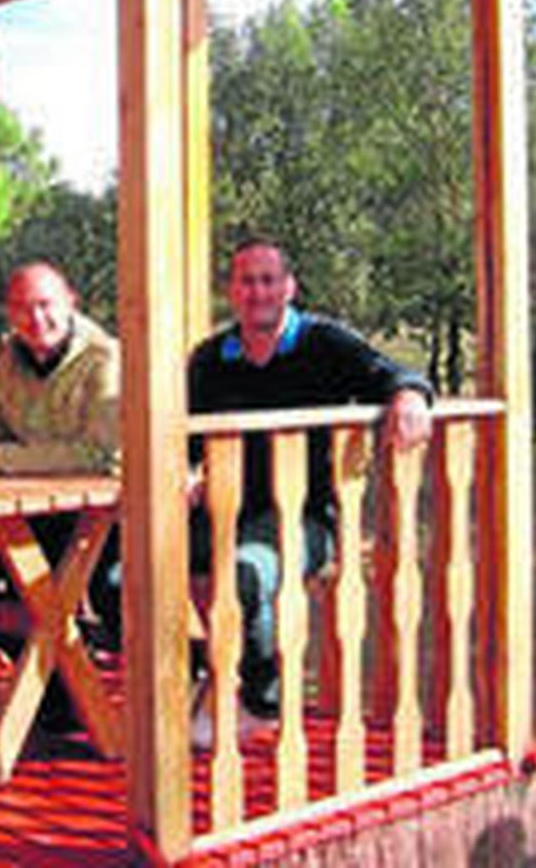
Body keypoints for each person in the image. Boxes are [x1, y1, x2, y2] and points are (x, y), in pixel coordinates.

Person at [188, 236, 434, 740]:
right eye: (246, 281)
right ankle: (209, 672)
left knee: (246, 573)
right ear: (231, 291)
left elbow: (390, 373)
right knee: (122, 574)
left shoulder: (325, 343)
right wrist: (184, 471)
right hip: (221, 509)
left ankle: (261, 702)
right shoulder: (211, 358)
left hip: (304, 516)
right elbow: (181, 434)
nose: (257, 291)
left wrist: (409, 395)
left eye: (268, 280)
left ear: (289, 287)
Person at [0, 260, 122, 732]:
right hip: (24, 511)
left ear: (71, 302)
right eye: (22, 309)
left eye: (45, 305)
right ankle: (59, 689)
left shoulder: (105, 360)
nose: (36, 319)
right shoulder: (5, 356)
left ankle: (66, 696)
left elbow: (101, 456)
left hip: (95, 519)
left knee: (35, 586)